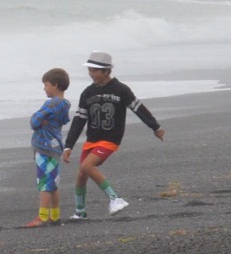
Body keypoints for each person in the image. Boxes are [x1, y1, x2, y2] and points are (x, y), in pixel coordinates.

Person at [65, 51, 164, 217]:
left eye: (95, 71)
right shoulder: (87, 93)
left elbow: (138, 109)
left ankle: (115, 199)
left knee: (87, 166)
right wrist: (68, 145)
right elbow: (79, 120)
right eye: (90, 70)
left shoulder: (121, 90)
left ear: (106, 71)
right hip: (92, 139)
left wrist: (155, 127)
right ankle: (80, 212)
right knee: (82, 174)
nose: (91, 74)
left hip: (110, 139)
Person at [26, 68, 73, 226]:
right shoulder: (65, 104)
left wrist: (38, 119)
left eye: (46, 85)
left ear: (55, 85)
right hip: (56, 146)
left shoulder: (51, 104)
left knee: (44, 183)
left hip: (44, 146)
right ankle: (55, 214)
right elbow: (64, 121)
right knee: (53, 183)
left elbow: (34, 122)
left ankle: (43, 216)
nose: (44, 88)